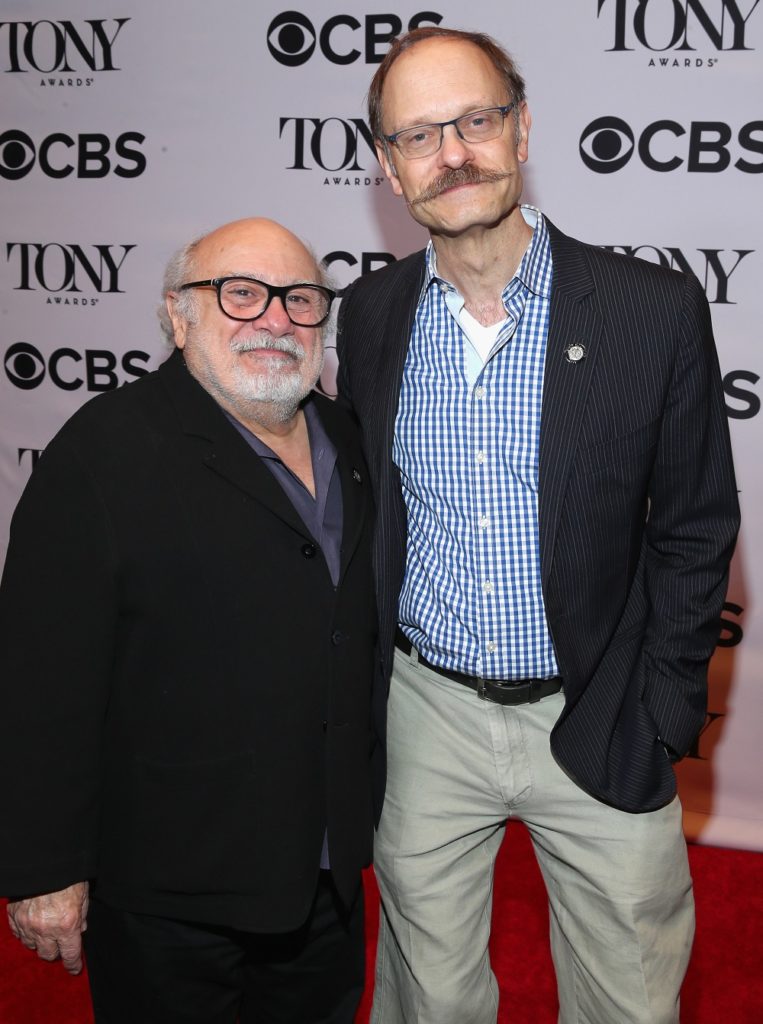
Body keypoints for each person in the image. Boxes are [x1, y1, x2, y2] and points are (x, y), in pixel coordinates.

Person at [337, 26, 740, 1024]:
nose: (453, 153)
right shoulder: (371, 315)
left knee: (629, 1000)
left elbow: (694, 526)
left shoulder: (653, 309)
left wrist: (662, 712)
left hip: (597, 703)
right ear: (389, 168)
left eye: (474, 120)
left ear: (520, 131)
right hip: (425, 713)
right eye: (419, 136)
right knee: (428, 995)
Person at [0, 217, 379, 1024]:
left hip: (325, 877)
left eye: (300, 299)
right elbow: (38, 676)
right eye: (240, 294)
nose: (275, 320)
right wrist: (42, 868)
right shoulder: (102, 452)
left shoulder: (349, 436)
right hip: (169, 888)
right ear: (178, 316)